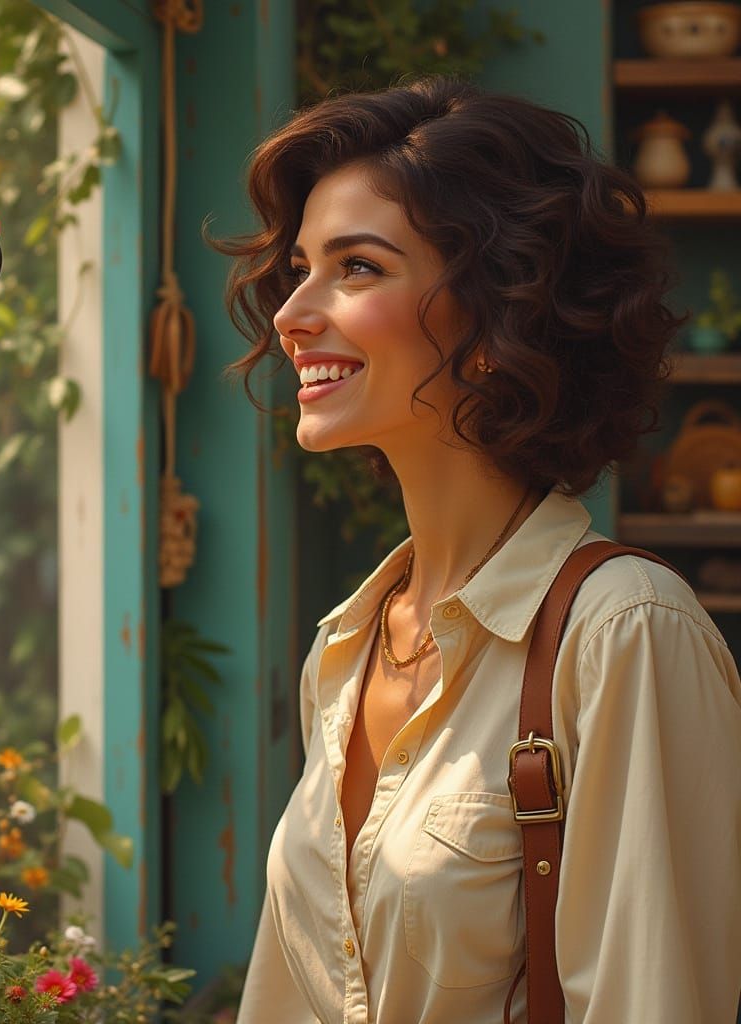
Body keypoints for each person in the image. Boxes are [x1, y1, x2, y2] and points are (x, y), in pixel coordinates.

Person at [211, 76, 741, 1023]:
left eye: (357, 267)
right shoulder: (348, 647)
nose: (291, 313)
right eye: (299, 268)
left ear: (498, 315)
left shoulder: (624, 634)